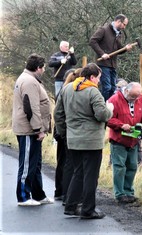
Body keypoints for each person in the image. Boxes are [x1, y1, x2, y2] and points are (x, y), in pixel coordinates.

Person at [54, 63, 114, 219]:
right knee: (90, 176)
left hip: (72, 140)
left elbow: (58, 114)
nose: (99, 81)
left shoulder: (66, 89)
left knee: (78, 172)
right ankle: (88, 210)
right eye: (99, 78)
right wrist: (110, 109)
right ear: (92, 77)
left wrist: (64, 133)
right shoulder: (93, 92)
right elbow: (102, 115)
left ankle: (71, 206)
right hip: (91, 141)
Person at [12, 53, 54, 206]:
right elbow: (32, 108)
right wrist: (38, 129)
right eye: (43, 68)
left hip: (31, 129)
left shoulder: (29, 79)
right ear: (38, 68)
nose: (43, 71)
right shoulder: (29, 81)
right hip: (29, 130)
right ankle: (23, 196)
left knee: (35, 163)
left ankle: (38, 194)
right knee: (28, 164)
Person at [107, 82, 142, 204]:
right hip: (119, 139)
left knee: (132, 166)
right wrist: (121, 125)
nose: (135, 99)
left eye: (137, 97)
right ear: (126, 91)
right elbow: (107, 118)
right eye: (133, 97)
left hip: (134, 139)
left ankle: (128, 192)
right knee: (119, 167)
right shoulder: (114, 100)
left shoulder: (140, 98)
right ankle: (120, 194)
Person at [53, 68, 82, 203]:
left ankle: (60, 191)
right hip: (65, 131)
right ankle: (65, 192)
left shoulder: (62, 91)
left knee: (63, 161)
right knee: (68, 163)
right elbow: (59, 114)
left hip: (61, 130)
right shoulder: (70, 91)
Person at [89, 14, 134, 102]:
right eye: (124, 24)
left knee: (113, 87)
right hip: (103, 64)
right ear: (118, 21)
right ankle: (102, 105)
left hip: (113, 65)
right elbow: (92, 41)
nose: (124, 27)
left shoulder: (118, 34)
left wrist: (125, 48)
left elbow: (119, 49)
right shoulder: (104, 30)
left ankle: (109, 106)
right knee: (107, 87)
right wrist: (102, 53)